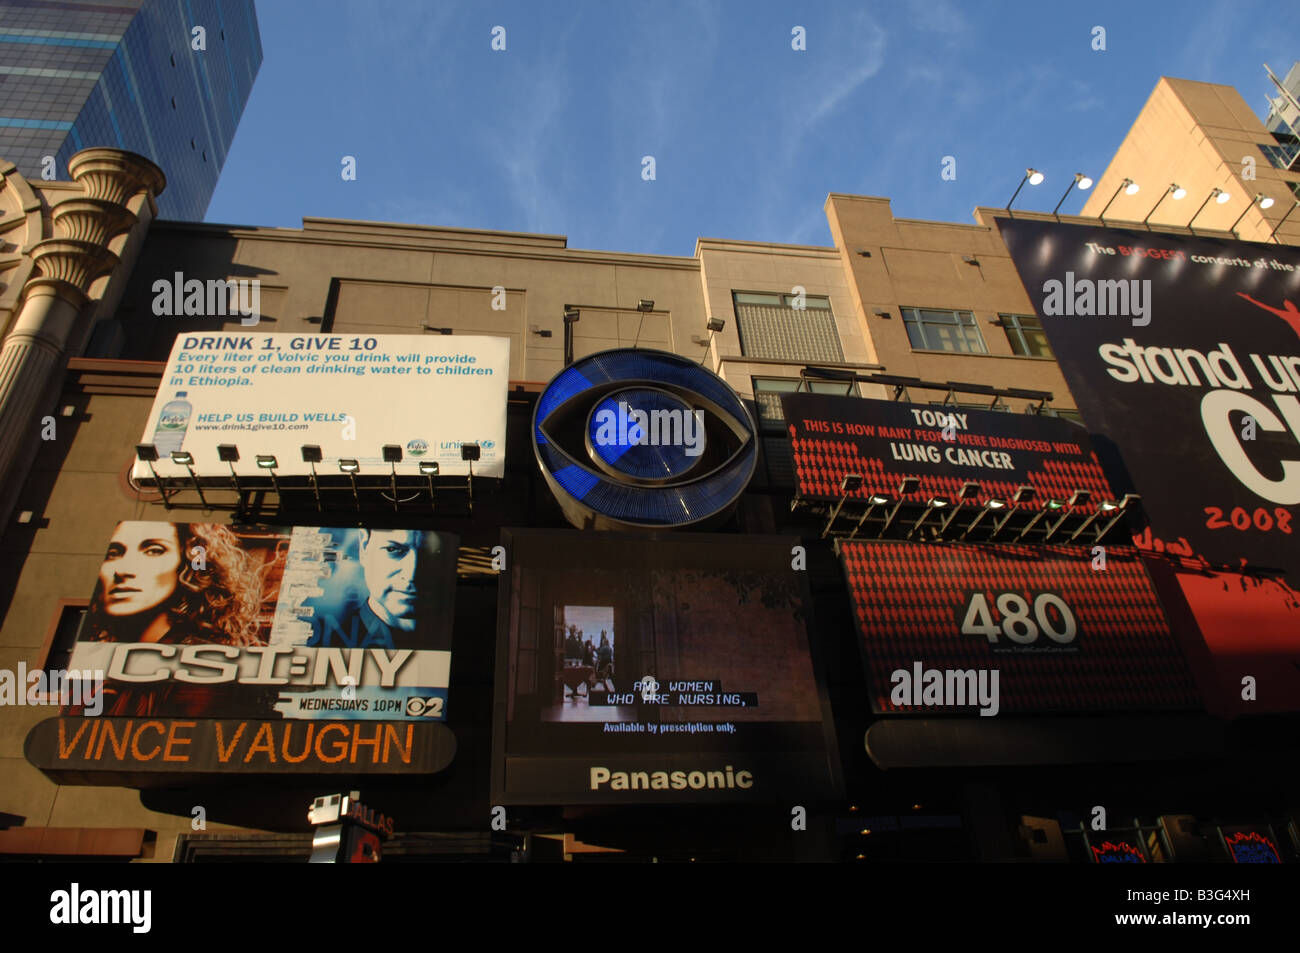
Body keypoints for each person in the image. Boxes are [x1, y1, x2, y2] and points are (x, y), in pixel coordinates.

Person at [82, 522, 270, 716]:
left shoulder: (205, 667)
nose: (122, 571)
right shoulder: (96, 666)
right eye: (114, 553)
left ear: (188, 563)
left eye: (154, 551)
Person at [326, 529, 446, 649]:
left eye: (432, 552)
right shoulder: (332, 646)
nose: (412, 575)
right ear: (364, 548)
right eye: (392, 549)